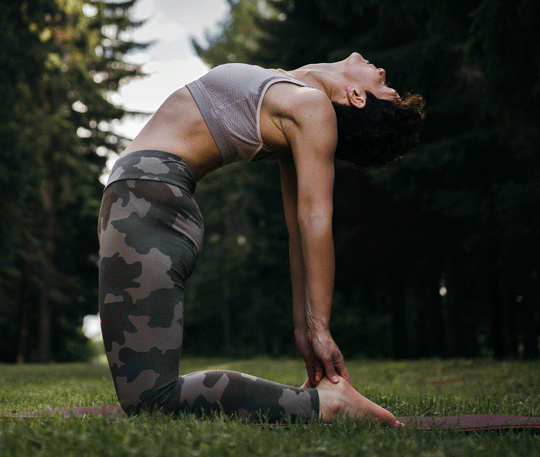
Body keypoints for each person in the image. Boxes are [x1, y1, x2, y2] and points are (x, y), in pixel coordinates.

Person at [98, 52, 425, 424]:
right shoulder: (295, 97)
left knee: (150, 399)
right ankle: (322, 401)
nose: (381, 70)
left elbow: (314, 222)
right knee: (146, 397)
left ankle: (325, 405)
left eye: (384, 85)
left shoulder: (313, 108)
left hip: (149, 202)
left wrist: (318, 328)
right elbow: (298, 233)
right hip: (142, 199)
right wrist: (303, 329)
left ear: (357, 97)